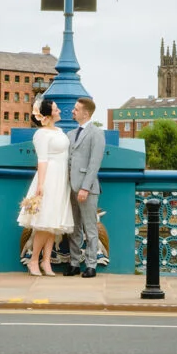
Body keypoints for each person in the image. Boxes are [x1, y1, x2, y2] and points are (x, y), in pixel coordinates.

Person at [17, 98, 75, 276]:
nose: (59, 111)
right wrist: (41, 184)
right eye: (56, 109)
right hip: (49, 179)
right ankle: (34, 260)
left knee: (54, 223)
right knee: (44, 223)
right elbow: (42, 160)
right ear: (48, 114)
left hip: (61, 179)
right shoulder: (41, 134)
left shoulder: (59, 131)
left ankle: (46, 261)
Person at [66, 97, 105, 278]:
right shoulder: (71, 134)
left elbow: (94, 163)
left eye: (76, 109)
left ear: (85, 113)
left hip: (87, 189)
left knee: (90, 228)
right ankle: (74, 263)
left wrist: (85, 188)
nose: (73, 111)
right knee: (73, 228)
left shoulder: (96, 133)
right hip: (70, 187)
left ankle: (91, 265)